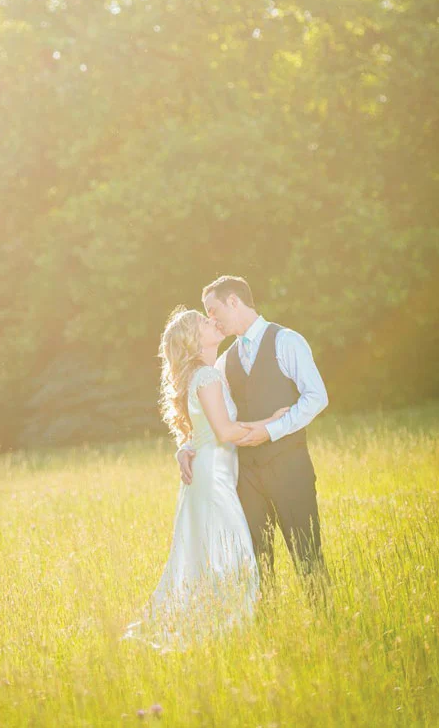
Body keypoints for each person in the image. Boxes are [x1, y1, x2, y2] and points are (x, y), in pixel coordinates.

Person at [124, 305, 286, 646]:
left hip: (212, 473)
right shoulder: (207, 377)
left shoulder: (207, 373)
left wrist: (182, 448)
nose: (211, 321)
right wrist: (274, 422)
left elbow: (199, 431)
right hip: (213, 478)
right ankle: (227, 630)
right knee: (232, 551)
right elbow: (225, 432)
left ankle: (217, 626)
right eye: (203, 321)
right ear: (195, 340)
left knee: (209, 551)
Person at [178, 275, 328, 580]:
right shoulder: (222, 362)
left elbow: (316, 398)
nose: (212, 319)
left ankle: (327, 620)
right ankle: (266, 621)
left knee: (308, 556)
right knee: (258, 564)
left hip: (289, 467)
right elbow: (213, 417)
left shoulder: (287, 341)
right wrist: (186, 447)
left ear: (233, 301)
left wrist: (272, 430)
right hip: (246, 477)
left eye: (213, 310)